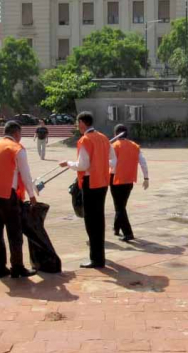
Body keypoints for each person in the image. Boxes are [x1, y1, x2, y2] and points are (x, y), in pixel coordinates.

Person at [0, 121, 37, 278]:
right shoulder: (17, 149)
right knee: (14, 232)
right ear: (16, 133)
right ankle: (17, 267)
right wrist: (32, 196)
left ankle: (0, 267)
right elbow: (26, 175)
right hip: (5, 195)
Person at [60, 112, 116, 268]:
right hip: (103, 182)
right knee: (99, 219)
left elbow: (83, 165)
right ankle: (99, 257)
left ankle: (96, 259)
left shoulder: (85, 139)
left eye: (78, 123)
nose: (78, 126)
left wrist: (69, 163)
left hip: (90, 183)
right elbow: (113, 160)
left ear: (83, 123)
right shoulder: (103, 138)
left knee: (91, 222)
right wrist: (101, 166)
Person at [110, 124, 149, 242]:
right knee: (121, 206)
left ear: (115, 134)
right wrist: (146, 178)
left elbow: (112, 164)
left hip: (116, 179)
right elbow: (143, 163)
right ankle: (117, 228)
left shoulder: (114, 146)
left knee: (119, 207)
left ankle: (128, 233)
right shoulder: (135, 146)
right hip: (129, 180)